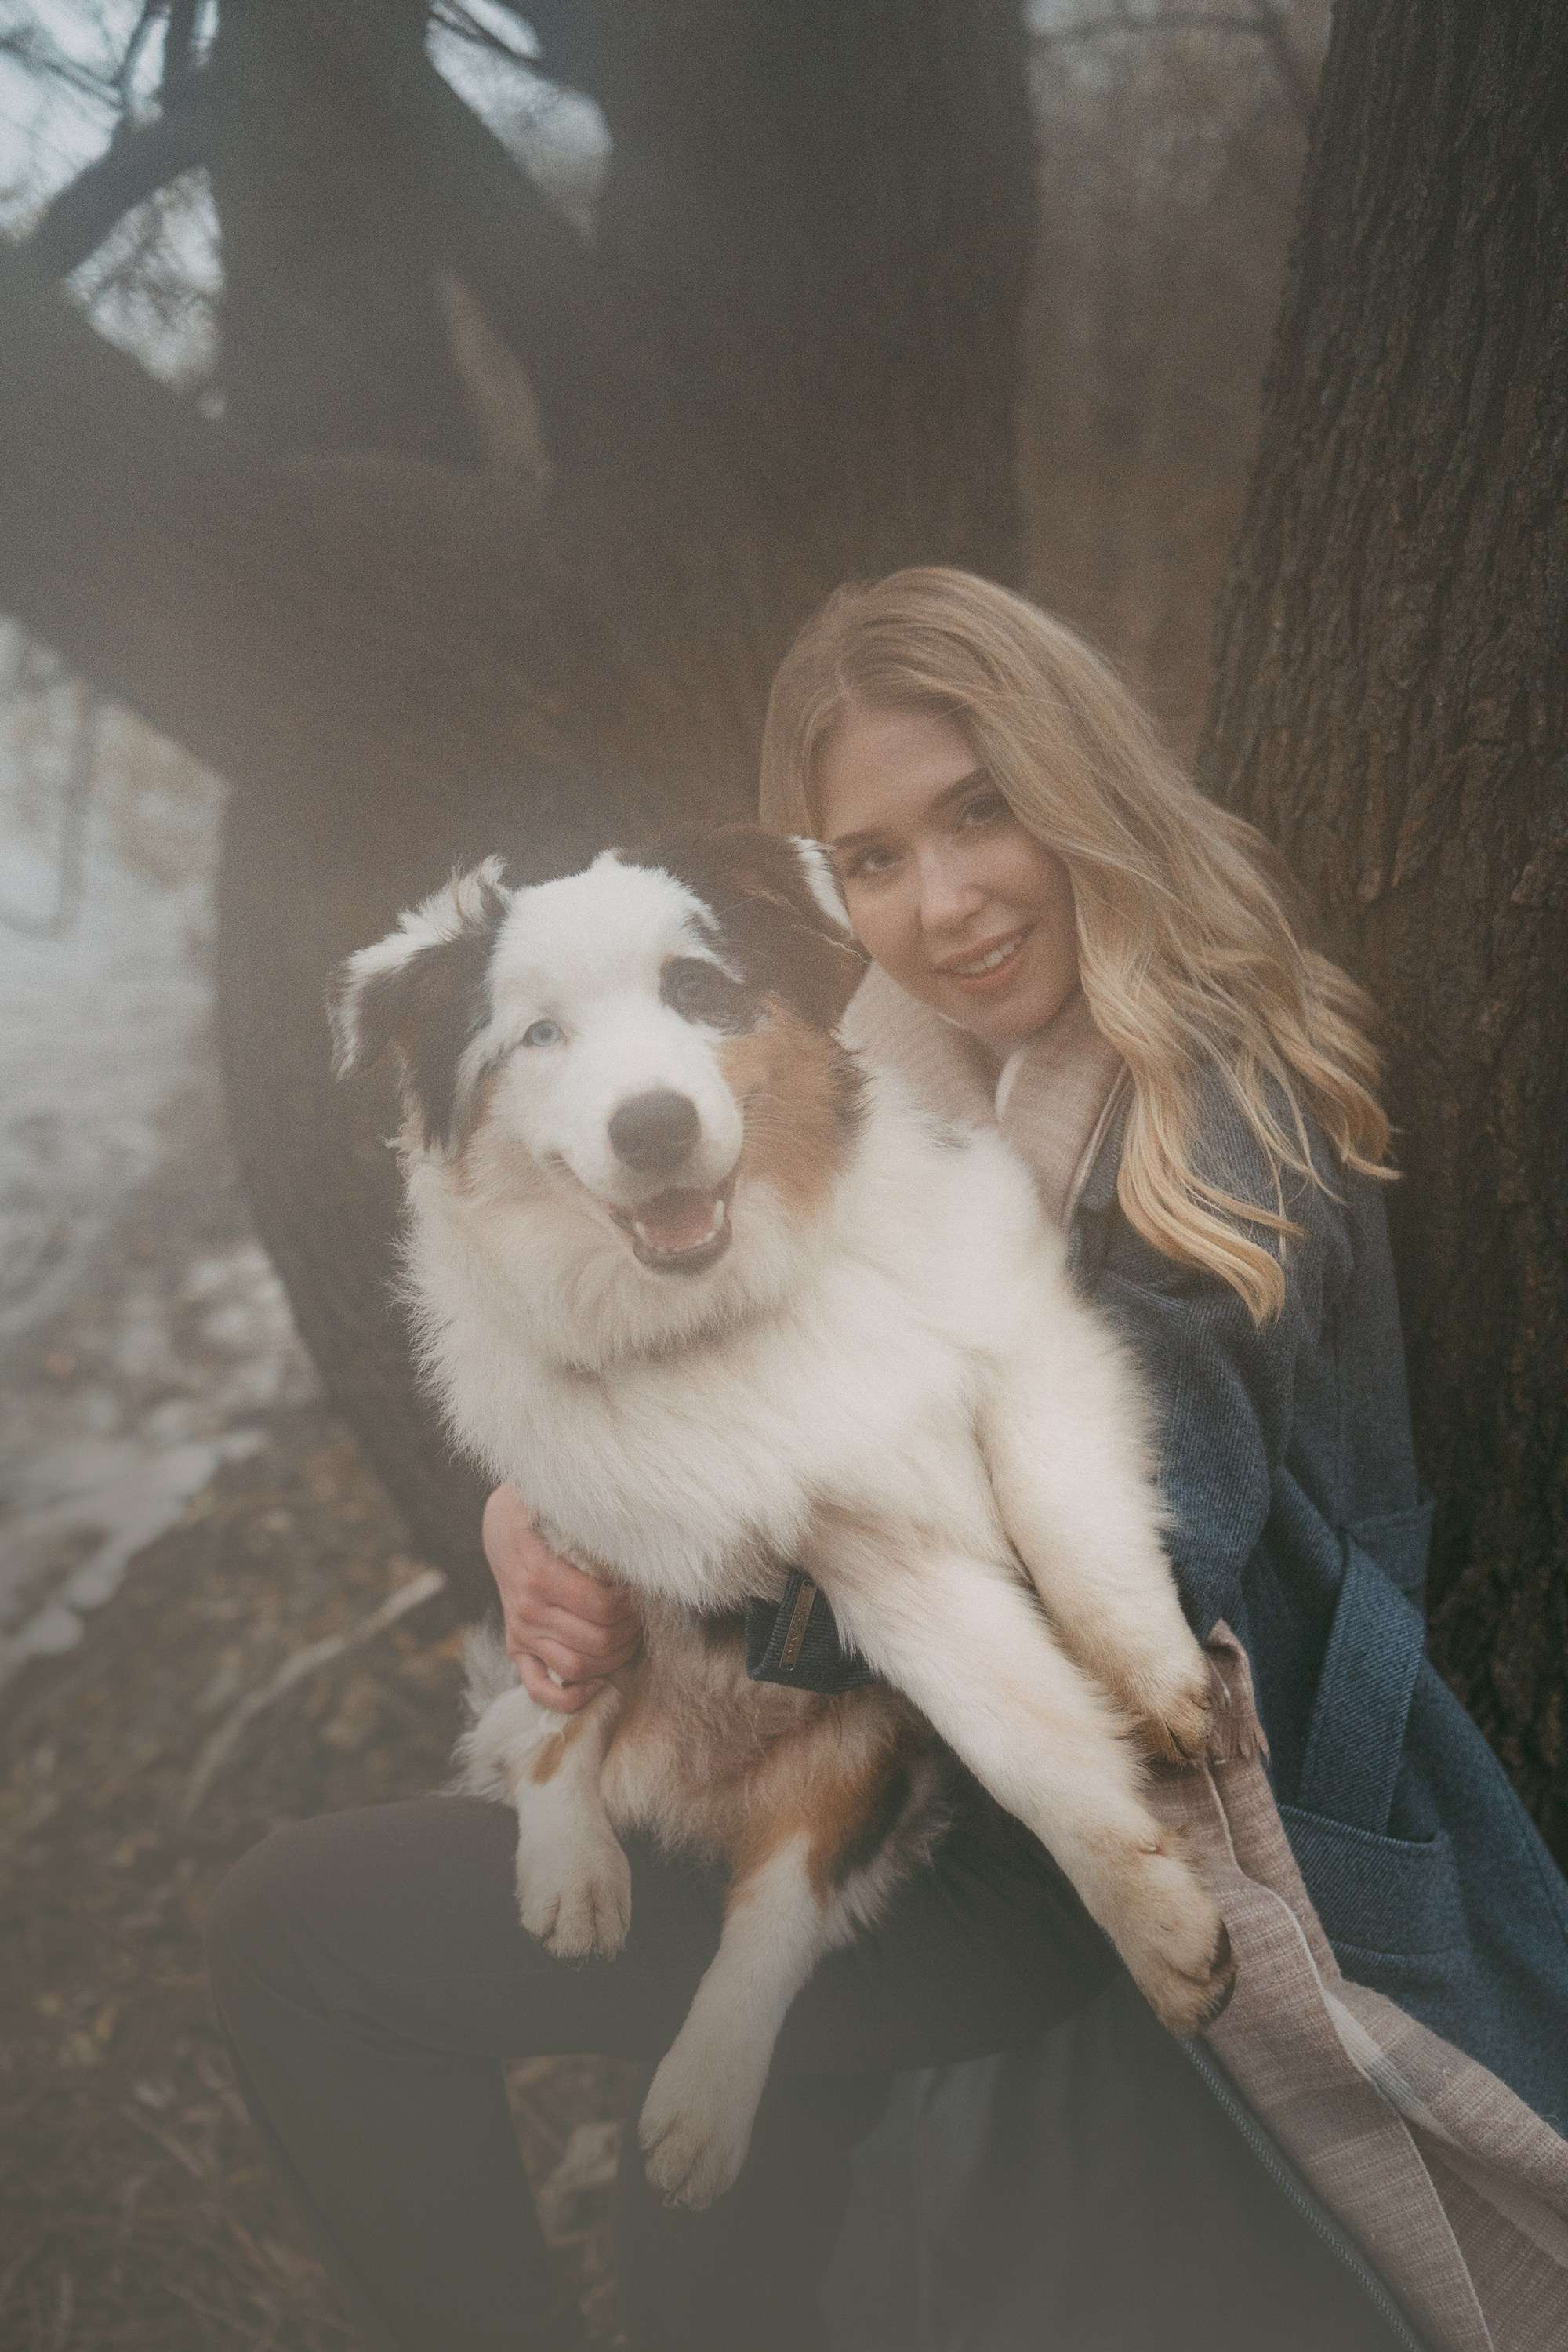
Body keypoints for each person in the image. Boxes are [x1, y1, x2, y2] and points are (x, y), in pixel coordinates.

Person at [205, 569, 1568, 2352]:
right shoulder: (875, 1082)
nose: (944, 903)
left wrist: (654, 1527)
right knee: (704, 2215)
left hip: (1078, 1833)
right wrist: (535, 1504)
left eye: (980, 812)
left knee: (300, 1940)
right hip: (880, 1769)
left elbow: (1135, 1528)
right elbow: (711, 1378)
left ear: (1083, 788)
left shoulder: (1212, 1109)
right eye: (872, 859)